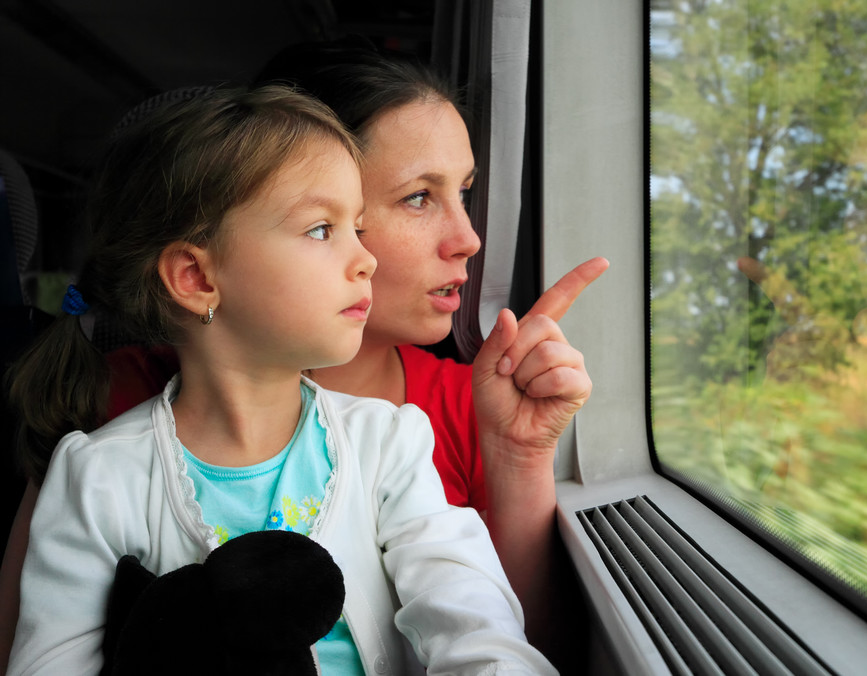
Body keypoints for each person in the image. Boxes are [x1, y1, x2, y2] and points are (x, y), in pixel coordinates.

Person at [0, 42, 606, 671]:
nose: (470, 239)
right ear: (197, 275)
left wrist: (521, 457)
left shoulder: (401, 439)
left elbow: (489, 630)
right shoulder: (99, 444)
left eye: (466, 192)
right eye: (417, 197)